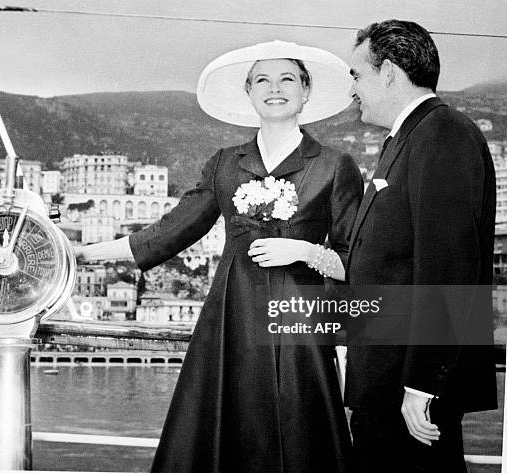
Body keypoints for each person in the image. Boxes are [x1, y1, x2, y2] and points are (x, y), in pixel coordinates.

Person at [78, 40, 363, 473]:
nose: (275, 88)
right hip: (232, 312)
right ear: (248, 92)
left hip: (299, 318)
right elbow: (169, 232)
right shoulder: (225, 164)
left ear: (306, 91)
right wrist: (82, 252)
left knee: (301, 431)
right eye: (262, 80)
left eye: (288, 78)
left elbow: (352, 260)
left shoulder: (335, 165)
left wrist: (306, 250)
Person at [345, 20, 497, 473]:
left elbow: (448, 265)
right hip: (384, 386)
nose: (352, 89)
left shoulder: (442, 133)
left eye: (357, 75)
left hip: (408, 395)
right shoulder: (405, 139)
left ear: (389, 72)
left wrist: (422, 386)